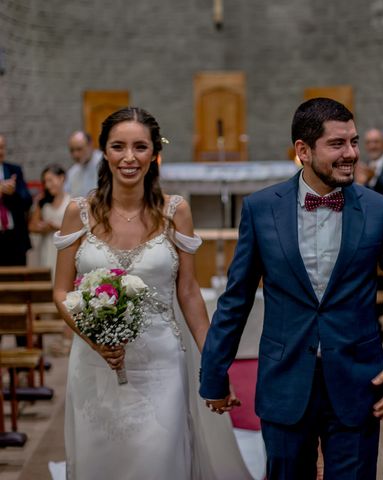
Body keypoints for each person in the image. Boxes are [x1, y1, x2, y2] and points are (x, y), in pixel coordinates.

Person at [199, 97, 383, 479]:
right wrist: (213, 373)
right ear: (303, 151)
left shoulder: (379, 210)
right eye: (338, 144)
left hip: (356, 382)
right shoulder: (261, 209)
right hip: (285, 380)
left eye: (353, 142)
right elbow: (236, 299)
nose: (351, 154)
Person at [52, 107, 251, 480]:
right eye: (119, 147)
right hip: (95, 365)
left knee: (159, 463)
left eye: (140, 147)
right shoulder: (77, 213)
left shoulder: (175, 211)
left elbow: (190, 294)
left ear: (154, 153)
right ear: (105, 152)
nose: (129, 157)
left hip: (160, 363)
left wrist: (215, 363)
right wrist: (93, 339)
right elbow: (62, 291)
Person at [29, 164, 71, 275]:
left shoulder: (71, 201)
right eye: (45, 182)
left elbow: (77, 229)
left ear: (61, 178)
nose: (47, 185)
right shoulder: (42, 201)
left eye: (50, 180)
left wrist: (56, 227)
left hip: (64, 247)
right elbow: (32, 226)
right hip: (47, 246)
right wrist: (42, 227)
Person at [0, 134, 32, 266]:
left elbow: (27, 201)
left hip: (14, 238)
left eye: (1, 147)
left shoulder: (14, 170)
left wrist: (12, 193)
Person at [64, 131, 102, 198]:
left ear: (90, 145)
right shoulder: (72, 172)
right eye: (72, 150)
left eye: (79, 149)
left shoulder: (105, 162)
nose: (75, 154)